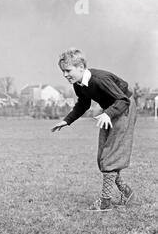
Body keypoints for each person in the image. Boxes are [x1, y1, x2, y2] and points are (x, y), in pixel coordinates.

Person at [51, 48, 137, 211]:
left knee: (111, 154)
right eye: (63, 71)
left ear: (81, 67)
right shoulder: (78, 85)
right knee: (103, 154)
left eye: (68, 70)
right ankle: (127, 192)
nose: (65, 75)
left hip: (124, 107)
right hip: (111, 110)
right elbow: (83, 104)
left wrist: (108, 114)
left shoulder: (99, 79)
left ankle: (105, 202)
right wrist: (66, 121)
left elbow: (123, 99)